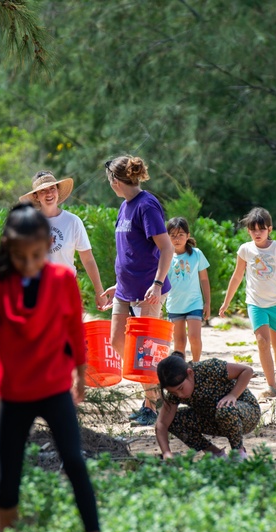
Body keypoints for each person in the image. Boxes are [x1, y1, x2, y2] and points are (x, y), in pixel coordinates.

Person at [0, 203, 101, 532]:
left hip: (54, 387)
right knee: (10, 470)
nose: (29, 264)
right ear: (9, 249)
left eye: (38, 255)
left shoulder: (62, 278)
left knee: (73, 460)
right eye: (21, 257)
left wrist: (81, 373)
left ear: (46, 247)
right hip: (15, 393)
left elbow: (73, 328)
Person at [101, 155, 174, 426]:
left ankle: (154, 406)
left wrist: (156, 283)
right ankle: (152, 397)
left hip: (149, 290)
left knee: (146, 350)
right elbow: (131, 252)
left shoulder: (147, 205)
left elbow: (166, 248)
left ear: (116, 181)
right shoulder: (125, 206)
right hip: (125, 289)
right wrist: (118, 285)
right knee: (119, 341)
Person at [219, 207, 276, 399]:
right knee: (263, 342)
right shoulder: (245, 250)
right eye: (253, 229)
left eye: (261, 229)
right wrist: (226, 302)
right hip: (255, 303)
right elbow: (237, 276)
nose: (257, 233)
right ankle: (271, 386)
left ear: (269, 229)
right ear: (248, 230)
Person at [20, 171, 109, 310]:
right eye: (43, 191)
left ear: (58, 191)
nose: (49, 194)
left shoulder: (73, 221)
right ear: (36, 196)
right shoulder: (29, 223)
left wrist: (99, 292)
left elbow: (88, 259)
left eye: (52, 189)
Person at [155, 352, 260, 460]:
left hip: (246, 414)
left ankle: (238, 454)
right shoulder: (175, 394)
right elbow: (162, 423)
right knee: (174, 420)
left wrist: (233, 395)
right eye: (173, 392)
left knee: (225, 409)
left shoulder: (209, 368)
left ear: (190, 373)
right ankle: (215, 454)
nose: (180, 395)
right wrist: (166, 453)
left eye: (181, 389)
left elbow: (247, 371)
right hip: (215, 418)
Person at [165, 217, 211, 362]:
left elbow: (204, 279)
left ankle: (197, 366)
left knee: (194, 337)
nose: (177, 239)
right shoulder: (165, 257)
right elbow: (161, 282)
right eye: (172, 235)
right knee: (179, 342)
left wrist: (207, 303)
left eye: (180, 235)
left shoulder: (197, 254)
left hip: (194, 303)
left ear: (188, 235)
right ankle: (182, 371)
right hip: (175, 305)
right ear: (167, 237)